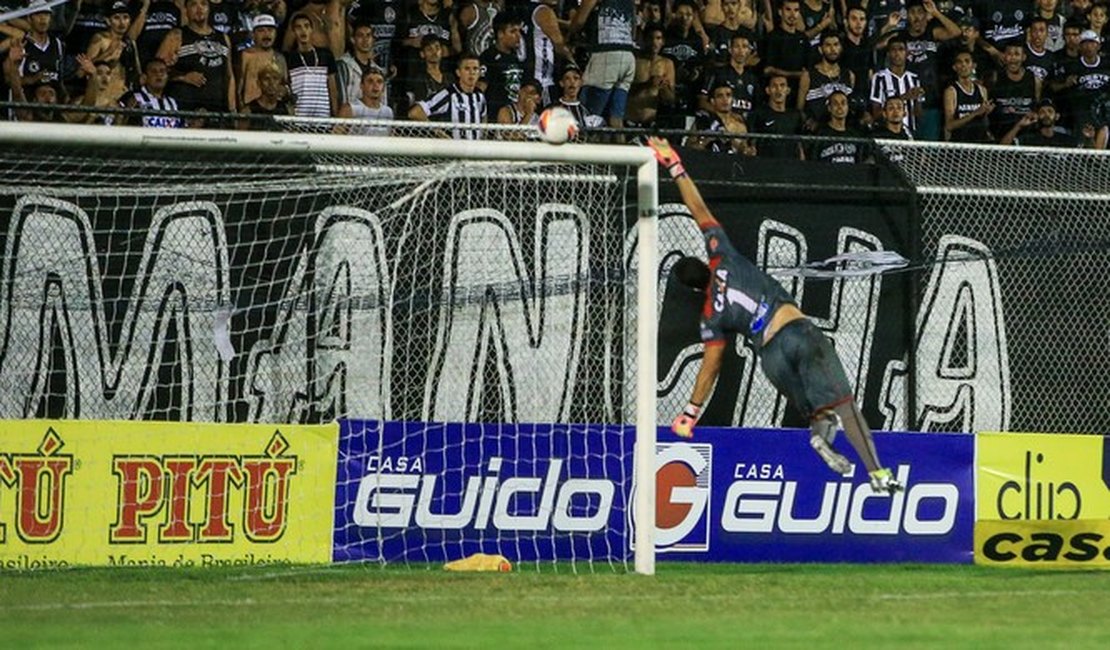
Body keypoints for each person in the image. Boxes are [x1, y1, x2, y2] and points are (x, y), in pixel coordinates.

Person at [646, 136, 903, 495]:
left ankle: (819, 432)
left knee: (817, 411)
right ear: (705, 264)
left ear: (693, 290)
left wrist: (690, 413)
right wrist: (674, 164)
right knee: (845, 406)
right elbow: (698, 209)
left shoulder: (710, 316)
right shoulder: (724, 255)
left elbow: (712, 364)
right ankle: (878, 474)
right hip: (795, 332)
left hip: (769, 357)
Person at [408, 51, 487, 139]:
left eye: (475, 69)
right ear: (458, 72)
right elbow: (415, 113)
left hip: (475, 149)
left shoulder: (479, 96)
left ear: (479, 73)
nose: (471, 72)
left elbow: (483, 116)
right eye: (467, 69)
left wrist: (482, 137)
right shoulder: (449, 94)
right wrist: (442, 135)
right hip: (454, 150)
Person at [286, 13, 338, 118]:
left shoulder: (325, 54)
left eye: (306, 26)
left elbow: (332, 88)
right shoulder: (288, 58)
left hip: (323, 117)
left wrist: (335, 114)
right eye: (298, 27)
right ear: (294, 32)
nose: (303, 30)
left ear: (311, 29)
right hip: (299, 118)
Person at [478, 12, 524, 121]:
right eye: (513, 31)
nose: (518, 36)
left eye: (519, 31)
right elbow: (480, 89)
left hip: (515, 117)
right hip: (495, 119)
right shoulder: (488, 57)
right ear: (500, 34)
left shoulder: (517, 57)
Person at [943, 48, 993, 142]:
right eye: (959, 62)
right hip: (960, 143)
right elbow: (949, 125)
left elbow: (984, 119)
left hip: (979, 142)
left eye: (967, 61)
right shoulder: (951, 91)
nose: (963, 65)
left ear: (973, 65)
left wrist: (986, 112)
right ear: (954, 67)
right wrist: (974, 113)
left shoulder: (982, 90)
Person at [1000, 97, 1080, 146]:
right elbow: (1002, 148)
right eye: (1042, 112)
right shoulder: (1027, 139)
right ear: (1037, 116)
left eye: (1050, 111)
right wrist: (1018, 126)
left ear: (1057, 116)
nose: (1046, 115)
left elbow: (1087, 157)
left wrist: (1089, 139)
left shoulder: (1066, 140)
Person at [338, 67, 393, 135]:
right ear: (362, 86)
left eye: (379, 82)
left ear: (384, 87)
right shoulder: (350, 109)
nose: (375, 86)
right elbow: (336, 137)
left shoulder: (388, 112)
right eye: (370, 81)